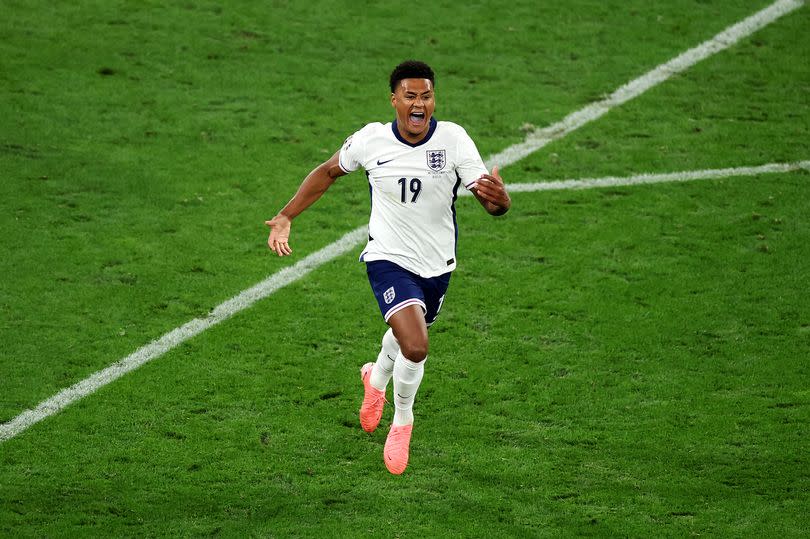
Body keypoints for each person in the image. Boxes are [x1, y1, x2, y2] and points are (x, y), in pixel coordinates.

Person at [265, 60, 511, 474]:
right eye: (411, 96)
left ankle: (375, 379)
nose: (420, 103)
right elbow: (327, 172)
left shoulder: (453, 139)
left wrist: (500, 200)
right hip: (387, 258)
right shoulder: (371, 140)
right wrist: (287, 215)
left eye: (426, 96)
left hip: (437, 264)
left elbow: (491, 202)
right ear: (394, 99)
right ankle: (403, 421)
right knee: (415, 345)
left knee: (406, 334)